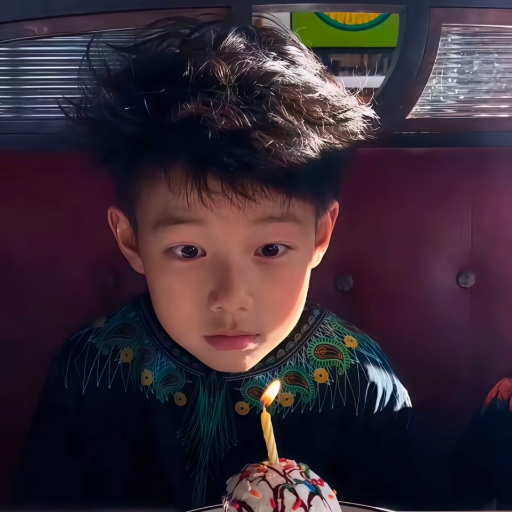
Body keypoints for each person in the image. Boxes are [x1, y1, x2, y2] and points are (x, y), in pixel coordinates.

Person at [10, 16, 423, 511]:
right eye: (188, 251)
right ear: (132, 240)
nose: (230, 298)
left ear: (319, 235)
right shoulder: (91, 367)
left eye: (270, 249)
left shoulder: (360, 379)